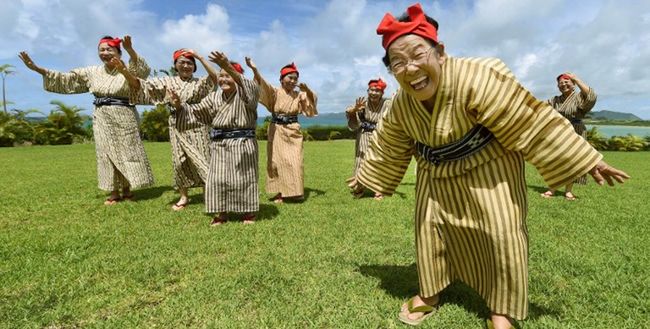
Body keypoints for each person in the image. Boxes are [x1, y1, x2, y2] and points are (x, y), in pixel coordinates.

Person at [350, 4, 629, 328]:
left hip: (489, 167)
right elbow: (388, 144)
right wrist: (368, 178)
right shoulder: (400, 104)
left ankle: (501, 309)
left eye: (418, 55)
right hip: (434, 175)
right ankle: (430, 292)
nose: (410, 68)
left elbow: (530, 119)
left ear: (439, 52)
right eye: (398, 62)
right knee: (430, 233)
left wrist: (584, 158)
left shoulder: (479, 77)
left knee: (501, 234)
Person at [19, 36, 154, 205]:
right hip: (102, 116)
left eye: (109, 49)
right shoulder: (92, 72)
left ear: (118, 53)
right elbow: (67, 79)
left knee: (128, 151)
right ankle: (113, 192)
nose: (105, 53)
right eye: (101, 50)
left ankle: (127, 189)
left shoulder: (127, 68)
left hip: (124, 115)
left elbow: (141, 73)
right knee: (106, 154)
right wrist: (37, 69)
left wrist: (130, 50)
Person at [116, 48, 219, 211]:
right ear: (175, 65)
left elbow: (215, 78)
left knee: (204, 159)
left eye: (190, 63)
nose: (186, 66)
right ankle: (184, 196)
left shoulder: (199, 83)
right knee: (180, 162)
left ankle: (208, 193)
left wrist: (199, 57)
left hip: (199, 122)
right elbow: (140, 86)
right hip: (177, 124)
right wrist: (124, 72)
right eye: (182, 62)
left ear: (194, 66)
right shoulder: (166, 82)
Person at [169, 51, 260, 225]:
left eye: (229, 75)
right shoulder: (214, 97)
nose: (224, 79)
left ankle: (248, 212)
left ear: (238, 77)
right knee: (217, 178)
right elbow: (196, 111)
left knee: (244, 178)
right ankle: (221, 213)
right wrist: (179, 105)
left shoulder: (247, 93)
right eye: (221, 76)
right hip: (219, 144)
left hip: (243, 142)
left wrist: (226, 65)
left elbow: (250, 86)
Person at [244, 58, 318, 203]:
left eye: (295, 79)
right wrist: (254, 69)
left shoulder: (299, 94)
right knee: (276, 161)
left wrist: (307, 90)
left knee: (295, 161)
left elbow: (311, 103)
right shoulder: (275, 92)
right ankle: (280, 193)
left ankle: (296, 192)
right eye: (290, 77)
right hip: (276, 129)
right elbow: (262, 85)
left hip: (293, 130)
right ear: (282, 79)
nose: (292, 81)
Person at [540, 72, 597, 201]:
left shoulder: (579, 97)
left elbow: (591, 97)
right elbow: (540, 106)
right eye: (560, 83)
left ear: (573, 85)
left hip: (576, 131)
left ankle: (568, 191)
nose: (563, 84)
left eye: (567, 82)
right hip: (560, 132)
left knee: (573, 161)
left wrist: (576, 78)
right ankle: (552, 188)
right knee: (556, 160)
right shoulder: (555, 100)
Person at [345, 78, 391, 200]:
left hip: (381, 135)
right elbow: (349, 111)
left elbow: (398, 111)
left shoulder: (387, 103)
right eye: (372, 90)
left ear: (382, 93)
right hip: (364, 134)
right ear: (367, 91)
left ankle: (378, 189)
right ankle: (359, 188)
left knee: (379, 161)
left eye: (377, 91)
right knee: (362, 160)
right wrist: (354, 110)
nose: (374, 93)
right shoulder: (362, 104)